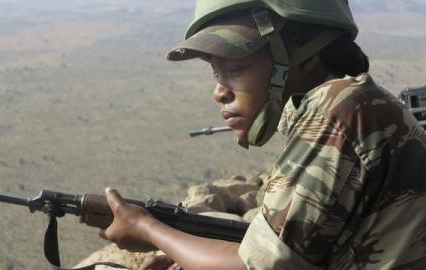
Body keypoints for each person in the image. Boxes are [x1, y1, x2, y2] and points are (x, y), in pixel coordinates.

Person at [97, 0, 426, 269]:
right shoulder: (346, 105)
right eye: (216, 72)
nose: (219, 93)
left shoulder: (339, 108)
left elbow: (259, 267)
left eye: (236, 69)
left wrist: (147, 228)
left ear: (308, 57)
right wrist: (186, 252)